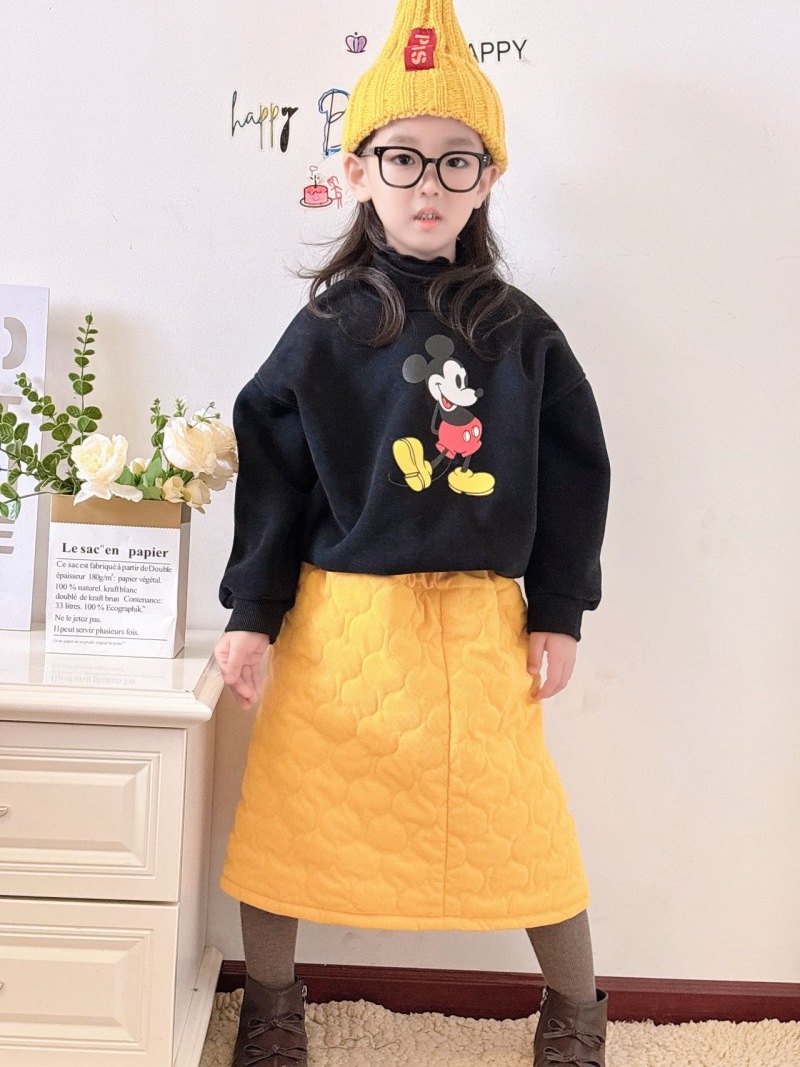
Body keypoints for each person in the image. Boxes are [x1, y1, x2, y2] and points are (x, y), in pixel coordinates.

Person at [214, 2, 611, 1064]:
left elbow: (577, 475)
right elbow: (273, 478)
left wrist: (559, 608)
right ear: (358, 172)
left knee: (522, 825)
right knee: (290, 815)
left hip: (477, 623)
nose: (426, 184)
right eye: (401, 158)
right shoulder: (325, 327)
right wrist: (251, 613)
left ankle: (576, 1008)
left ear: (488, 178)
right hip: (340, 622)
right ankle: (271, 1002)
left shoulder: (522, 333)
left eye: (454, 161)